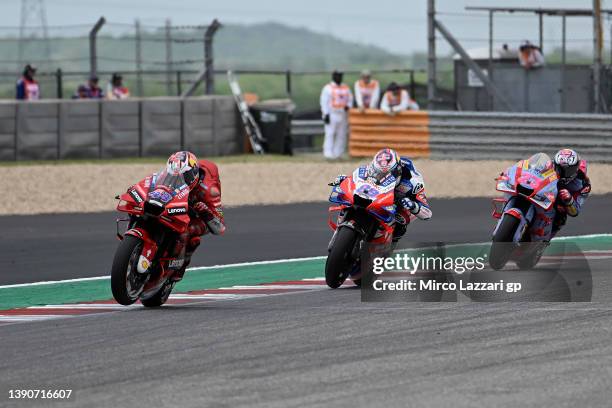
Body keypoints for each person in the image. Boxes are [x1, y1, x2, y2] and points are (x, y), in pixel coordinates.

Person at [331, 148, 432, 243]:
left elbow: (427, 214)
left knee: (401, 219)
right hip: (379, 192)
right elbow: (357, 178)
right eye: (378, 172)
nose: (381, 176)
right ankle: (339, 231)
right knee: (352, 199)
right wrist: (346, 180)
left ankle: (387, 246)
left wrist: (413, 206)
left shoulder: (413, 183)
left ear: (398, 171)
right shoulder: (373, 167)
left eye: (386, 174)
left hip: (400, 199)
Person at [163, 151, 226, 280]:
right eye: (173, 175)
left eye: (183, 176)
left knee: (187, 231)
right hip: (179, 203)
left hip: (201, 216)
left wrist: (205, 213)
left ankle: (181, 265)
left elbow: (220, 227)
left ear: (193, 175)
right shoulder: (171, 176)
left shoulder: (210, 191)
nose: (177, 180)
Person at [550, 148, 590, 238]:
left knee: (560, 218)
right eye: (560, 169)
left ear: (576, 169)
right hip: (545, 192)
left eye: (568, 171)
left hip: (559, 202)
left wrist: (569, 200)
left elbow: (575, 212)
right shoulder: (550, 166)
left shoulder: (583, 185)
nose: (563, 174)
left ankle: (543, 242)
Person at [320, 70, 353, 159]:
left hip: (343, 114)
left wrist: (348, 106)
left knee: (341, 134)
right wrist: (325, 114)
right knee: (330, 133)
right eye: (337, 76)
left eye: (340, 76)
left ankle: (338, 153)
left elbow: (350, 99)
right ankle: (328, 153)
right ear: (333, 76)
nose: (339, 77)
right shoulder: (328, 88)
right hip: (332, 114)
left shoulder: (346, 88)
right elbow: (324, 101)